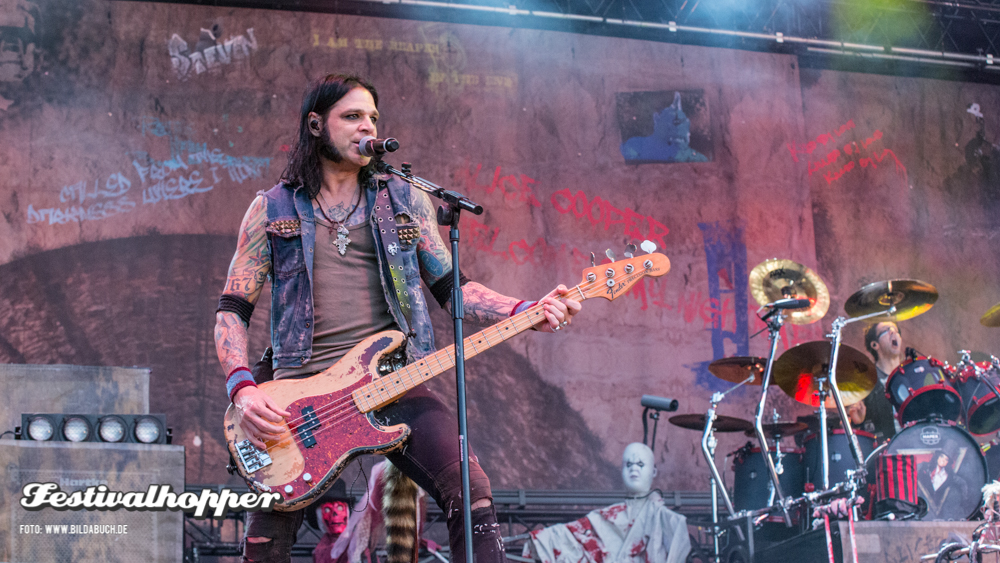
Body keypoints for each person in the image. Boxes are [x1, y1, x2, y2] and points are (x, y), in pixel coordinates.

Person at [214, 73, 581, 563]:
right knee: (266, 540)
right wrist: (243, 387)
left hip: (394, 380)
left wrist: (523, 310)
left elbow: (453, 290)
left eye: (372, 118)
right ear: (316, 124)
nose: (367, 127)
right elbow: (233, 310)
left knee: (469, 489)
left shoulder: (405, 200)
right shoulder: (271, 208)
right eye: (352, 116)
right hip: (301, 395)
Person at [528, 443, 690, 563]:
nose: (634, 469)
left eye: (640, 464)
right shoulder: (602, 517)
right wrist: (543, 540)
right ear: (621, 471)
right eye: (629, 465)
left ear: (654, 471)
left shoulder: (669, 521)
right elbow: (570, 536)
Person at [847, 321, 904, 441]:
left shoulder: (911, 374)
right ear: (875, 345)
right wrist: (857, 422)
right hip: (883, 451)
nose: (893, 332)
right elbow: (853, 431)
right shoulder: (865, 380)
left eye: (895, 330)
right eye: (887, 330)